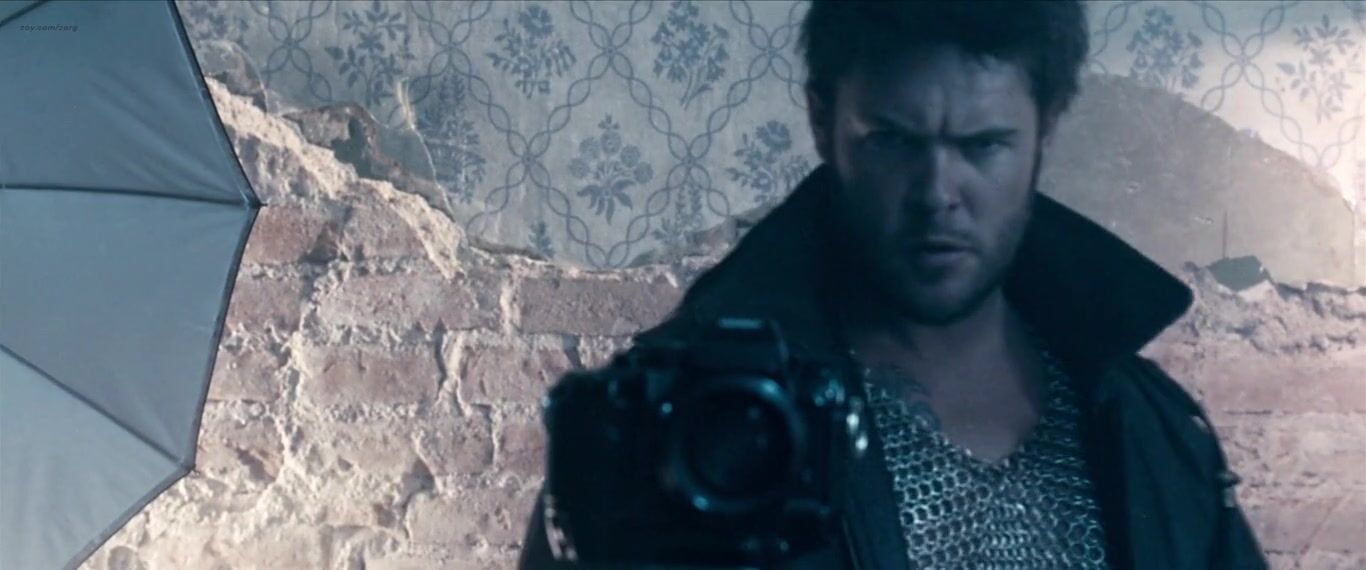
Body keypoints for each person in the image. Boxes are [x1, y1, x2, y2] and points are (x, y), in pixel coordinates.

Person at [519, 1, 1267, 568]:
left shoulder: (1148, 430)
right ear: (823, 122)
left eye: (983, 145)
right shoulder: (681, 428)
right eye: (894, 143)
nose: (937, 193)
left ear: (1045, 132)